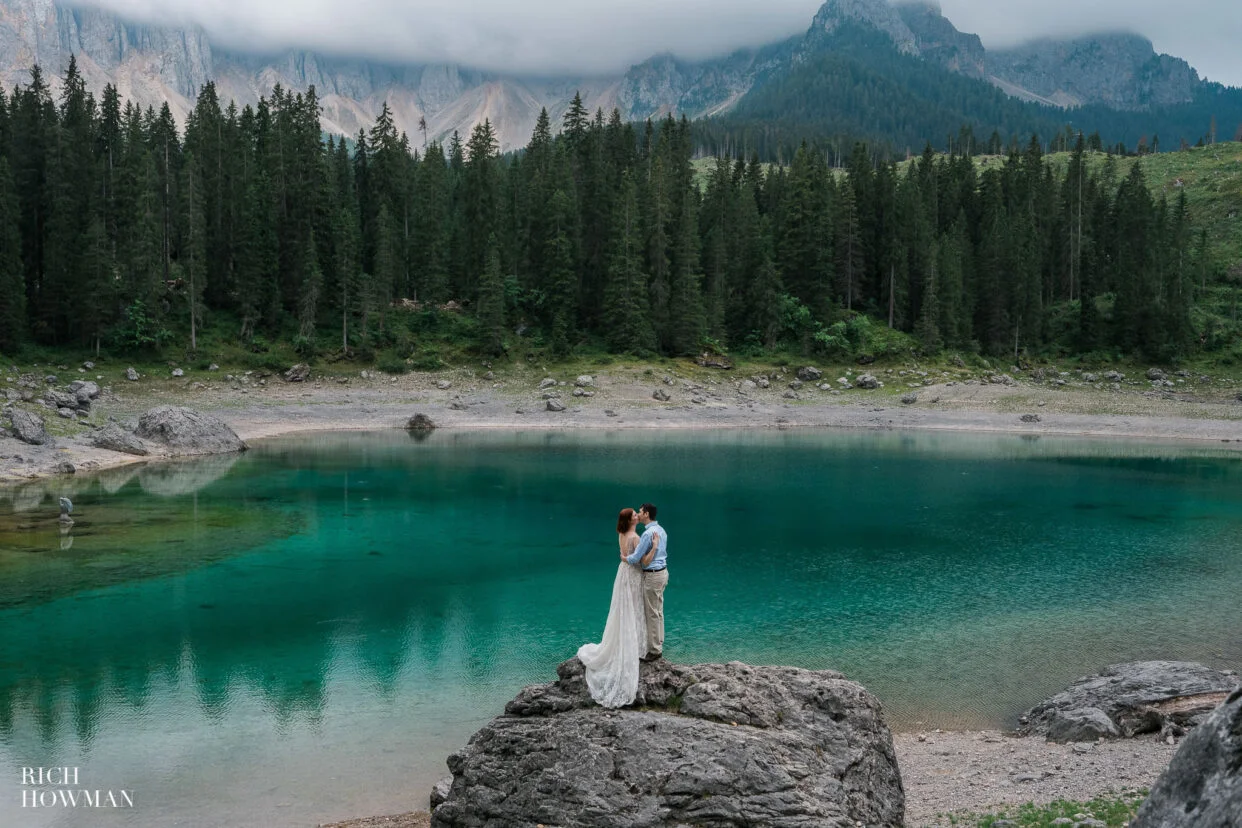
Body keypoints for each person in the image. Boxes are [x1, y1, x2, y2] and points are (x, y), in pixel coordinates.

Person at [576, 508, 649, 707]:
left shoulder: (621, 534)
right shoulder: (635, 537)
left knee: (621, 609)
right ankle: (634, 646)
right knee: (633, 609)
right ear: (630, 520)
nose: (637, 516)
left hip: (622, 573)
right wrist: (653, 549)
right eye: (634, 514)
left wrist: (626, 558)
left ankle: (625, 642)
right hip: (632, 574)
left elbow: (625, 556)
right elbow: (641, 561)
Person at [626, 503, 667, 662]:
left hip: (653, 576)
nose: (638, 513)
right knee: (658, 610)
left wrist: (625, 558)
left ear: (647, 514)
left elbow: (636, 559)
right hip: (663, 573)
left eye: (641, 512)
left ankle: (655, 650)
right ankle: (659, 642)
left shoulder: (647, 534)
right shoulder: (661, 530)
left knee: (651, 613)